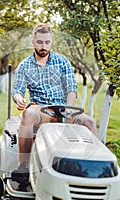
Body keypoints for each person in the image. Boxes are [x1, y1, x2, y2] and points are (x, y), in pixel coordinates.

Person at [11, 23, 97, 190]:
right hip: (40, 109)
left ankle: (90, 169)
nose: (44, 46)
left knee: (90, 122)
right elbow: (17, 90)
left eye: (47, 42)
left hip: (63, 107)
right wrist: (19, 99)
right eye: (40, 42)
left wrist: (69, 107)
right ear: (33, 42)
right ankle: (24, 166)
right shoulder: (24, 66)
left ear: (51, 42)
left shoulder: (62, 61)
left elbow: (72, 88)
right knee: (27, 114)